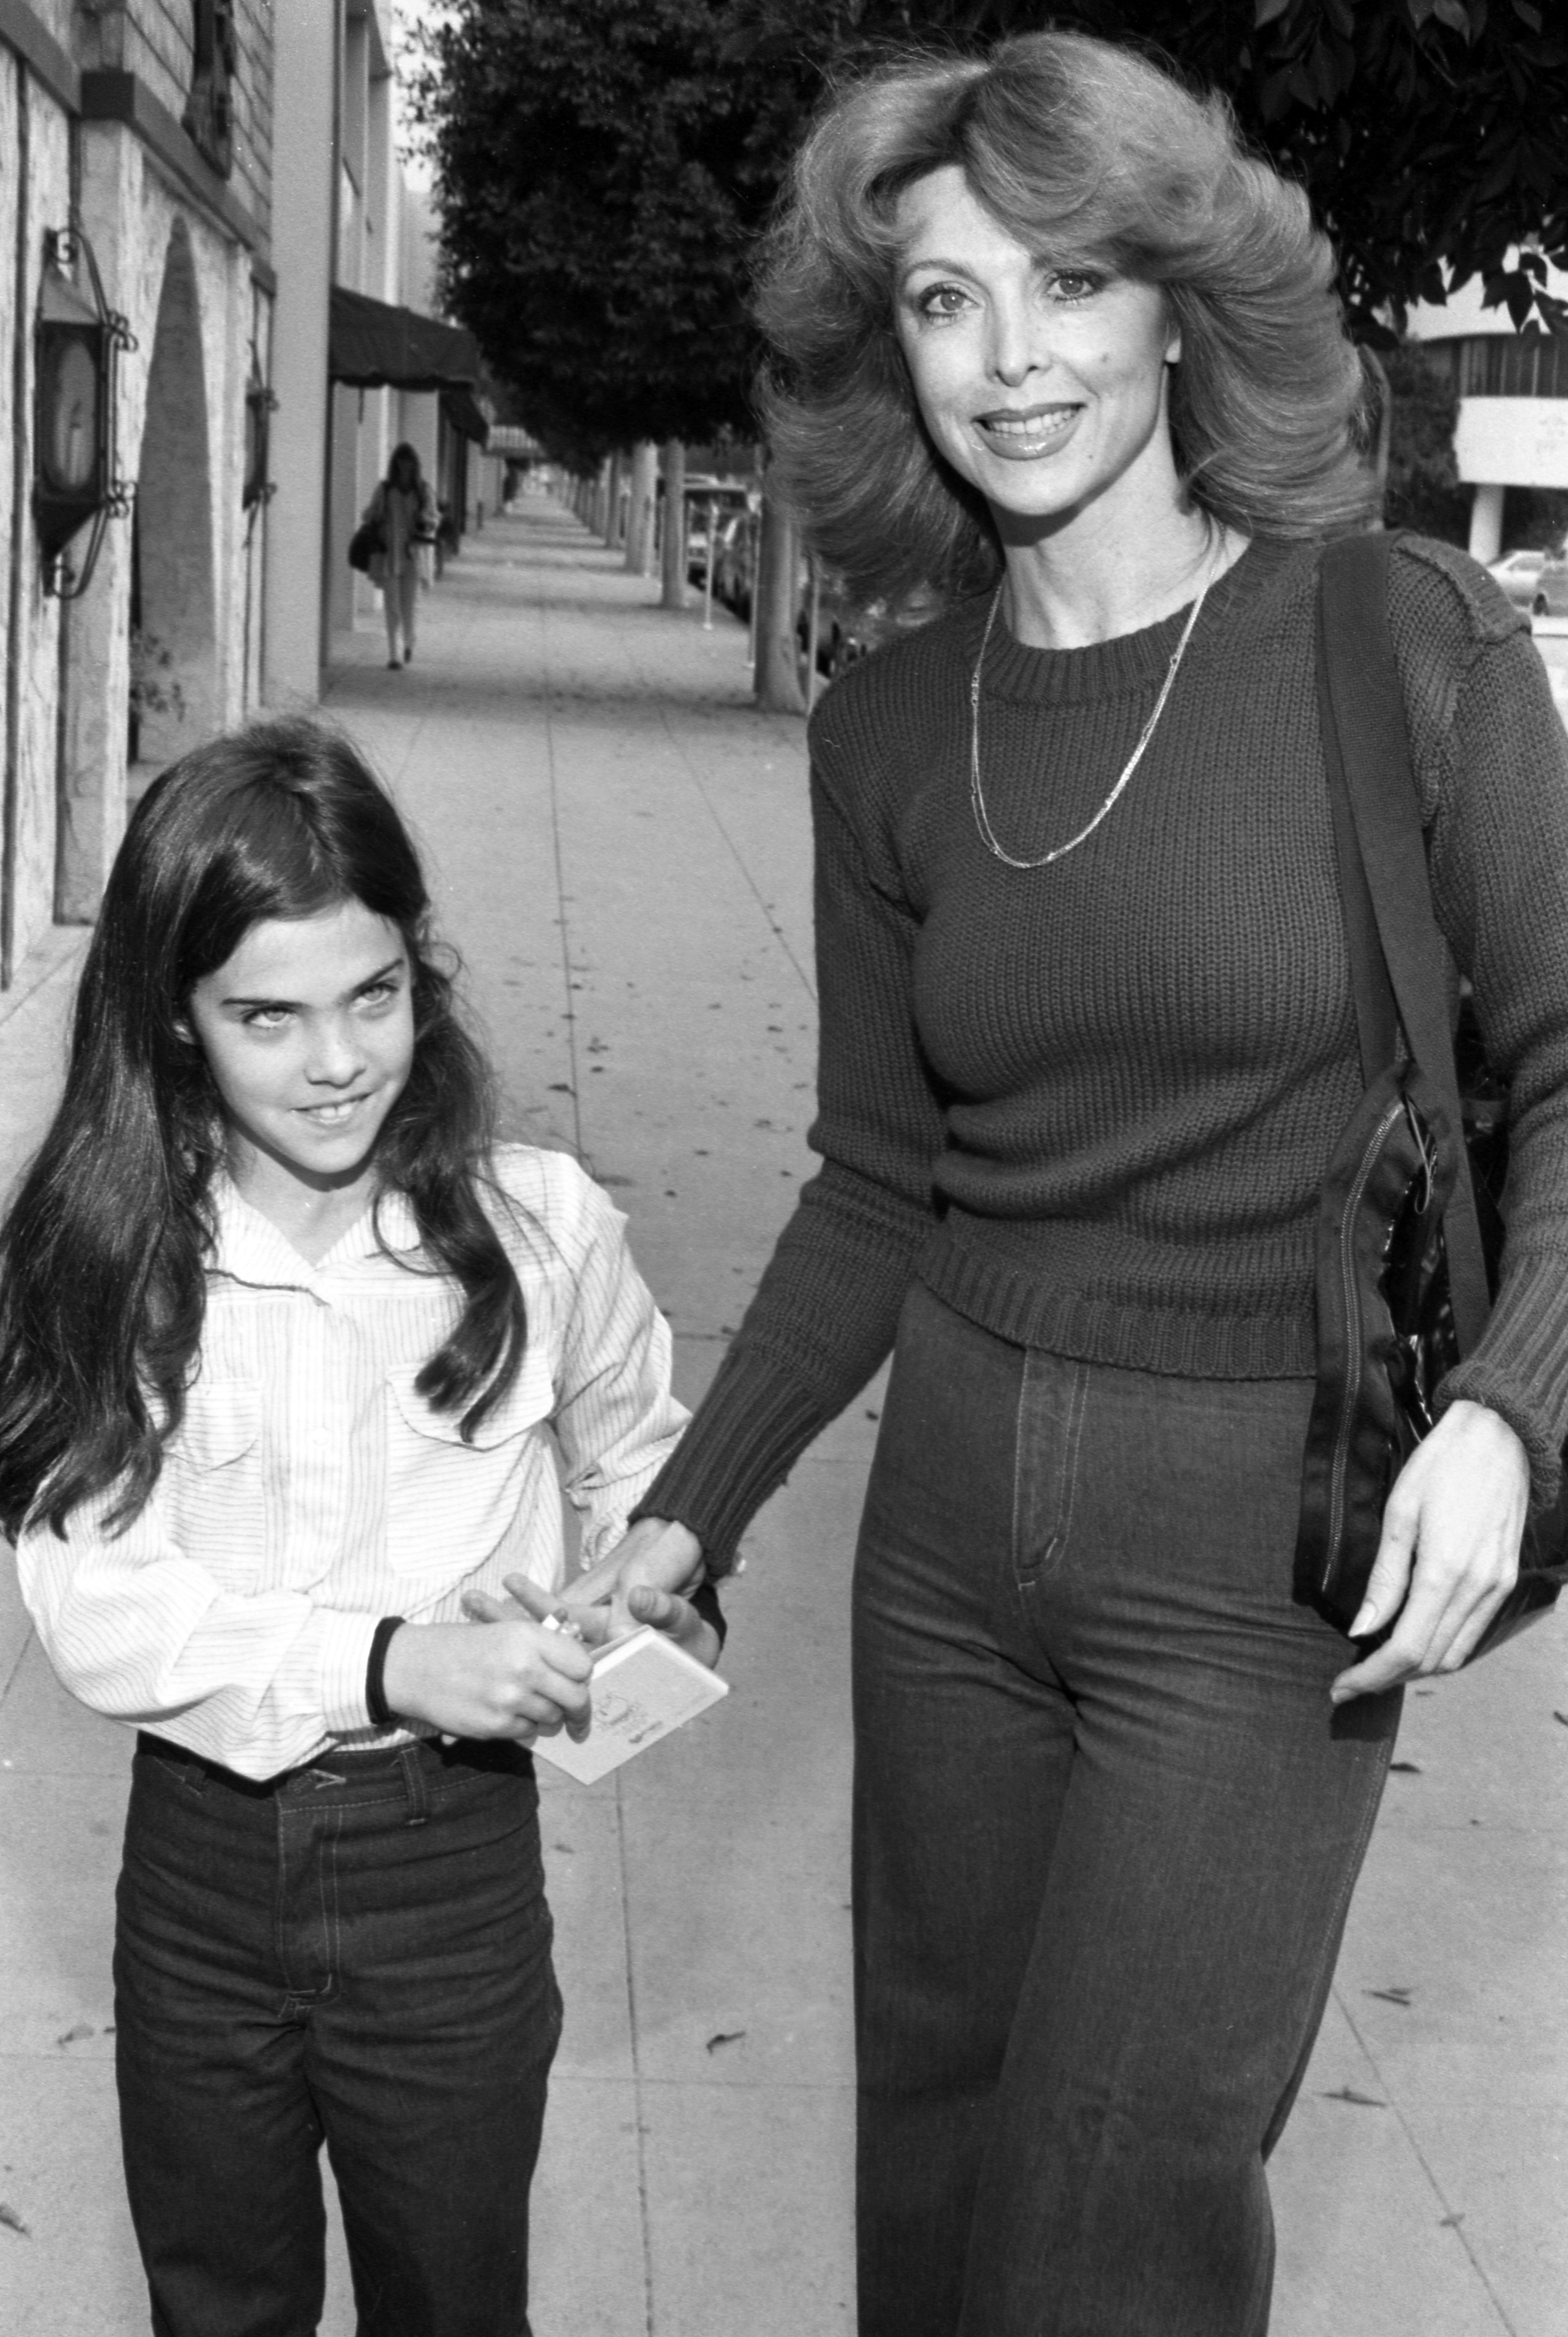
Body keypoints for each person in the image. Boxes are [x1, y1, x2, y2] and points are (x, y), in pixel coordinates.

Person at [566, 31, 1568, 2337]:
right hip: (937, 1557)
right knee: (931, 2184)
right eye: (942, 299)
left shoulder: (1397, 642)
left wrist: (1506, 1413)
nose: (1010, 356)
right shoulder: (893, 724)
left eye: (1067, 278)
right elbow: (872, 1182)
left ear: (1173, 300)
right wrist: (684, 1512)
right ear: (879, 345)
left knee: (1106, 2226)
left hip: (1252, 1567)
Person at [0, 717, 717, 2337]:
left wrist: (650, 1593)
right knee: (221, 2305)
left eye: (372, 996)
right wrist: (395, 1662)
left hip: (449, 1869)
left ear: (419, 976)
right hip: (198, 1869)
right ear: (174, 1024)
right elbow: (96, 1602)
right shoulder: (107, 1255)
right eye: (267, 1016)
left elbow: (644, 1467)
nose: (335, 1060)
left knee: (456, 2305)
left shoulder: (540, 1229)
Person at [364, 441, 437, 667]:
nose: (405, 467)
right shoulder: (385, 489)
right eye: (400, 462)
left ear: (415, 465)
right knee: (392, 606)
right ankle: (393, 654)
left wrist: (424, 520)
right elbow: (368, 514)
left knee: (409, 605)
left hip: (413, 554)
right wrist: (376, 515)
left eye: (409, 463)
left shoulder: (423, 489)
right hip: (389, 553)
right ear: (395, 464)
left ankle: (409, 641)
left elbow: (434, 517)